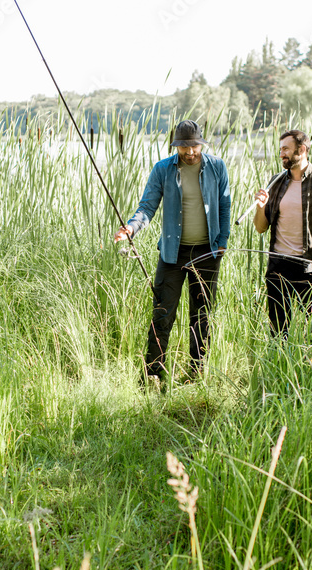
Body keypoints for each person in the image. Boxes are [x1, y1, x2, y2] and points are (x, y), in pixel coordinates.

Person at [113, 120, 231, 385]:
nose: (190, 152)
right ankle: (154, 374)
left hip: (207, 253)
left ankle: (196, 371)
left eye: (194, 146)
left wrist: (222, 241)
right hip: (171, 254)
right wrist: (131, 228)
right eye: (184, 147)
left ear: (201, 143)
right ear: (176, 146)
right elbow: (147, 206)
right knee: (162, 313)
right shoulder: (162, 169)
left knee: (201, 315)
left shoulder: (217, 167)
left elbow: (225, 206)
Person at [252, 129, 312, 337]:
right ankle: (278, 367)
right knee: (278, 333)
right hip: (278, 265)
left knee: (311, 331)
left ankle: (311, 368)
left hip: (310, 267)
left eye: (286, 149)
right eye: (280, 149)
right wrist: (261, 207)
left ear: (302, 149)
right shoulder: (276, 181)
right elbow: (261, 227)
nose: (281, 154)